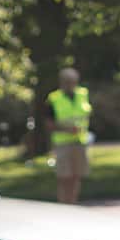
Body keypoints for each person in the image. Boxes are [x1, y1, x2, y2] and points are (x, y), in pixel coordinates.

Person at [46, 67, 93, 205]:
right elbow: (48, 123)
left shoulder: (83, 94)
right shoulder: (54, 98)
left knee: (76, 176)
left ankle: (73, 204)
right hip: (62, 143)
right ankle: (63, 205)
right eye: (67, 81)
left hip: (80, 141)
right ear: (61, 82)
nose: (70, 84)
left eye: (72, 81)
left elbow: (86, 114)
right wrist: (67, 129)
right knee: (64, 177)